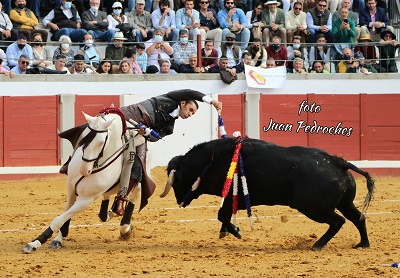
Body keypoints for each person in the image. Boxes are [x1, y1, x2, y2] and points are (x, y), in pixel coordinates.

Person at [59, 89, 222, 215]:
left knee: (138, 164)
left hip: (138, 133)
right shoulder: (171, 98)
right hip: (131, 113)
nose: (190, 114)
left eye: (193, 113)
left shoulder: (170, 126)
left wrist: (148, 133)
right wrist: (210, 101)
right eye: (191, 110)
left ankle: (120, 199)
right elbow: (189, 91)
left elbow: (156, 138)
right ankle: (71, 161)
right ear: (183, 103)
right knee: (95, 127)